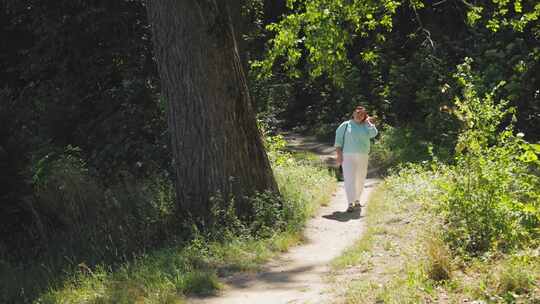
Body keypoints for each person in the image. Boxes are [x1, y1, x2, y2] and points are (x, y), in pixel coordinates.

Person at [334, 106, 378, 213]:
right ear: (353, 113)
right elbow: (338, 142)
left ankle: (357, 199)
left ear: (365, 116)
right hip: (348, 156)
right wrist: (339, 155)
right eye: (357, 113)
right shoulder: (345, 125)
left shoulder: (366, 126)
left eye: (362, 114)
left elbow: (374, 134)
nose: (359, 115)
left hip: (363, 156)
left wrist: (368, 122)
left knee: (360, 179)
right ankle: (350, 203)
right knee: (349, 179)